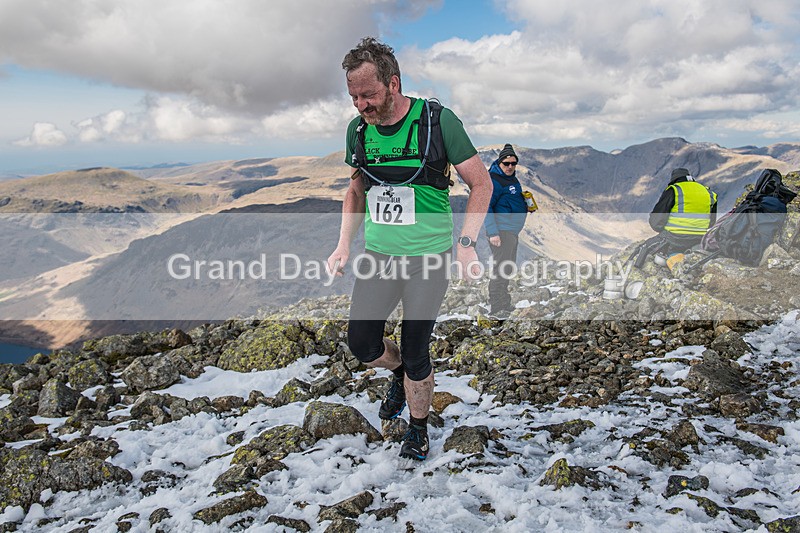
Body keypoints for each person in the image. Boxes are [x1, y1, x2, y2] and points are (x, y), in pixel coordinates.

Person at [326, 37, 491, 461]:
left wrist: (467, 245)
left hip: (428, 258)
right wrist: (343, 243)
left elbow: (481, 183)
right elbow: (355, 190)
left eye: (369, 95)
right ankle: (398, 373)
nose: (360, 105)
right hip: (380, 257)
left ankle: (417, 428)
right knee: (362, 344)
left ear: (393, 83)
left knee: (417, 347)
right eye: (354, 96)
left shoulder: (438, 122)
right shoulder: (358, 131)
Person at [484, 143, 529, 317]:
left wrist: (525, 206)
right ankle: (496, 308)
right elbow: (486, 207)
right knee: (500, 269)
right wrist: (493, 233)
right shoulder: (494, 180)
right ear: (499, 163)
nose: (510, 166)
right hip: (501, 232)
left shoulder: (512, 179)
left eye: (513, 163)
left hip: (511, 232)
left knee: (507, 268)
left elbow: (509, 202)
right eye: (506, 163)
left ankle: (505, 304)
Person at [647, 167, 718, 255]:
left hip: (675, 237)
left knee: (645, 248)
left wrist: (662, 229)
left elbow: (657, 220)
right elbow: (711, 222)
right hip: (700, 238)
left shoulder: (674, 189)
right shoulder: (709, 193)